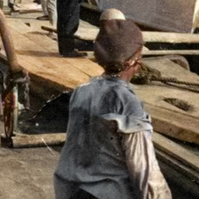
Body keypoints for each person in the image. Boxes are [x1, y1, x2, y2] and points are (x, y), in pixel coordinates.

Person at [54, 19, 171, 199]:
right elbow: (144, 172)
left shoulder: (82, 91)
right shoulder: (128, 103)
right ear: (133, 61)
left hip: (72, 191)